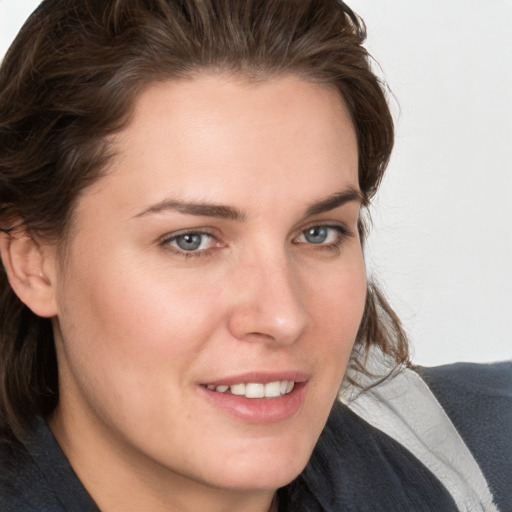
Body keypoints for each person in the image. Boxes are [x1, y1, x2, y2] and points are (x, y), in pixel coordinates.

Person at [0, 1, 510, 511]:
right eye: (191, 240)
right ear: (32, 261)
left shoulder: (485, 456)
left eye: (318, 233)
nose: (284, 316)